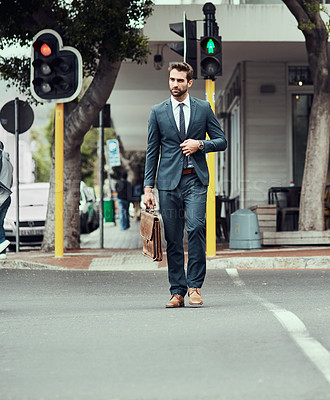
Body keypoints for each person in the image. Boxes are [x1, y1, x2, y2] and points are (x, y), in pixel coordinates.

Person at [143, 62, 227, 308]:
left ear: (189, 83)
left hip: (195, 180)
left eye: (180, 80)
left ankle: (195, 287)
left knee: (197, 228)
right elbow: (152, 151)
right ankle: (177, 291)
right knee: (173, 236)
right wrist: (148, 188)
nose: (175, 84)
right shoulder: (158, 111)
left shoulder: (203, 108)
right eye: (172, 79)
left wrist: (200, 144)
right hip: (169, 183)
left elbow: (221, 140)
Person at [0, 141, 13, 259]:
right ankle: (2, 251)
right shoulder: (8, 162)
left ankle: (2, 243)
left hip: (0, 195)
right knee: (0, 223)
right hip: (6, 196)